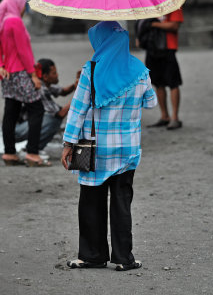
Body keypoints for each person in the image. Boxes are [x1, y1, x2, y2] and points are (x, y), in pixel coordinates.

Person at [61, 21, 157, 271]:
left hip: (96, 150)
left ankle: (93, 255)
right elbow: (151, 102)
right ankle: (124, 258)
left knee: (91, 201)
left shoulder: (90, 70)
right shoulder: (139, 70)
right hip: (127, 150)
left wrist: (68, 143)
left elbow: (77, 110)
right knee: (122, 203)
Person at [0, 0, 46, 167]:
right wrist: (34, 75)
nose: (23, 9)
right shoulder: (15, 22)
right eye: (22, 6)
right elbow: (24, 52)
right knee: (37, 109)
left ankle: (9, 152)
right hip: (21, 73)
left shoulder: (1, 21)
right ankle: (33, 153)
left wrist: (0, 66)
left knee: (10, 112)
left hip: (8, 76)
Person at [144, 0, 184, 130]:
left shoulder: (174, 0)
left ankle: (175, 117)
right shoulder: (150, 1)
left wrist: (153, 24)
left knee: (173, 82)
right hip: (153, 46)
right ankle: (164, 116)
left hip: (168, 46)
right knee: (158, 83)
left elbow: (174, 25)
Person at [15, 58, 79, 155]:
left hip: (21, 126)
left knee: (51, 118)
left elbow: (63, 91)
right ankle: (32, 149)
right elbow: (60, 114)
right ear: (45, 76)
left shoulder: (43, 83)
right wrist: (79, 95)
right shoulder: (40, 88)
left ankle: (32, 148)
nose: (57, 75)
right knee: (54, 120)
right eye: (54, 73)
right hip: (17, 131)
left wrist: (77, 84)